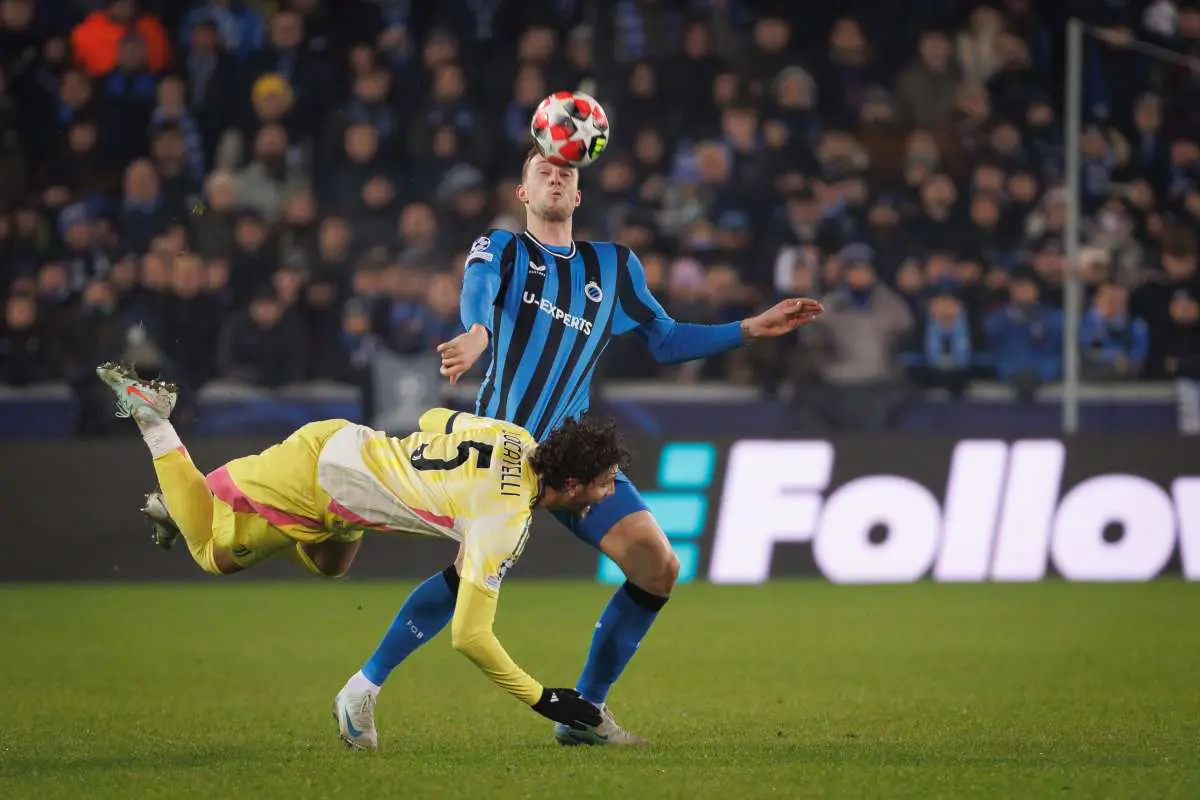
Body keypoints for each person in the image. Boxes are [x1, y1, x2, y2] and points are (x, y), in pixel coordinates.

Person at [335, 147, 825, 748]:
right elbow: (479, 287)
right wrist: (478, 332)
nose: (556, 176)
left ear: (579, 193)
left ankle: (583, 713)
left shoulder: (613, 266)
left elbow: (665, 340)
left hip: (573, 457)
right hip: (501, 451)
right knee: (468, 579)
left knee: (659, 565)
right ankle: (363, 688)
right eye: (542, 170)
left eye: (566, 171)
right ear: (522, 193)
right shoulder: (503, 248)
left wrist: (749, 328)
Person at [94, 361, 630, 748]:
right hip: (312, 481)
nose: (610, 493)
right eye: (605, 483)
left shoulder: (515, 435)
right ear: (573, 484)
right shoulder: (505, 520)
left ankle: (196, 508)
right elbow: (470, 637)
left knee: (332, 565)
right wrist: (544, 699)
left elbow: (432, 419)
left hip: (347, 456)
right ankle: (154, 422)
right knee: (213, 554)